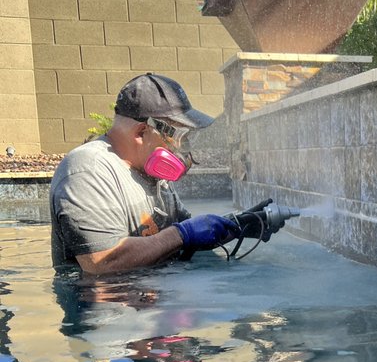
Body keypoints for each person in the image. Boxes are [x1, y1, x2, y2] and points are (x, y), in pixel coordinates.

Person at [49, 73, 240, 273]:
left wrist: (239, 225)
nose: (183, 148)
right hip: (107, 303)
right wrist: (181, 234)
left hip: (155, 295)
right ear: (141, 133)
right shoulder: (87, 170)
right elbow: (102, 262)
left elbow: (187, 233)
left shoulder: (151, 172)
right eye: (179, 136)